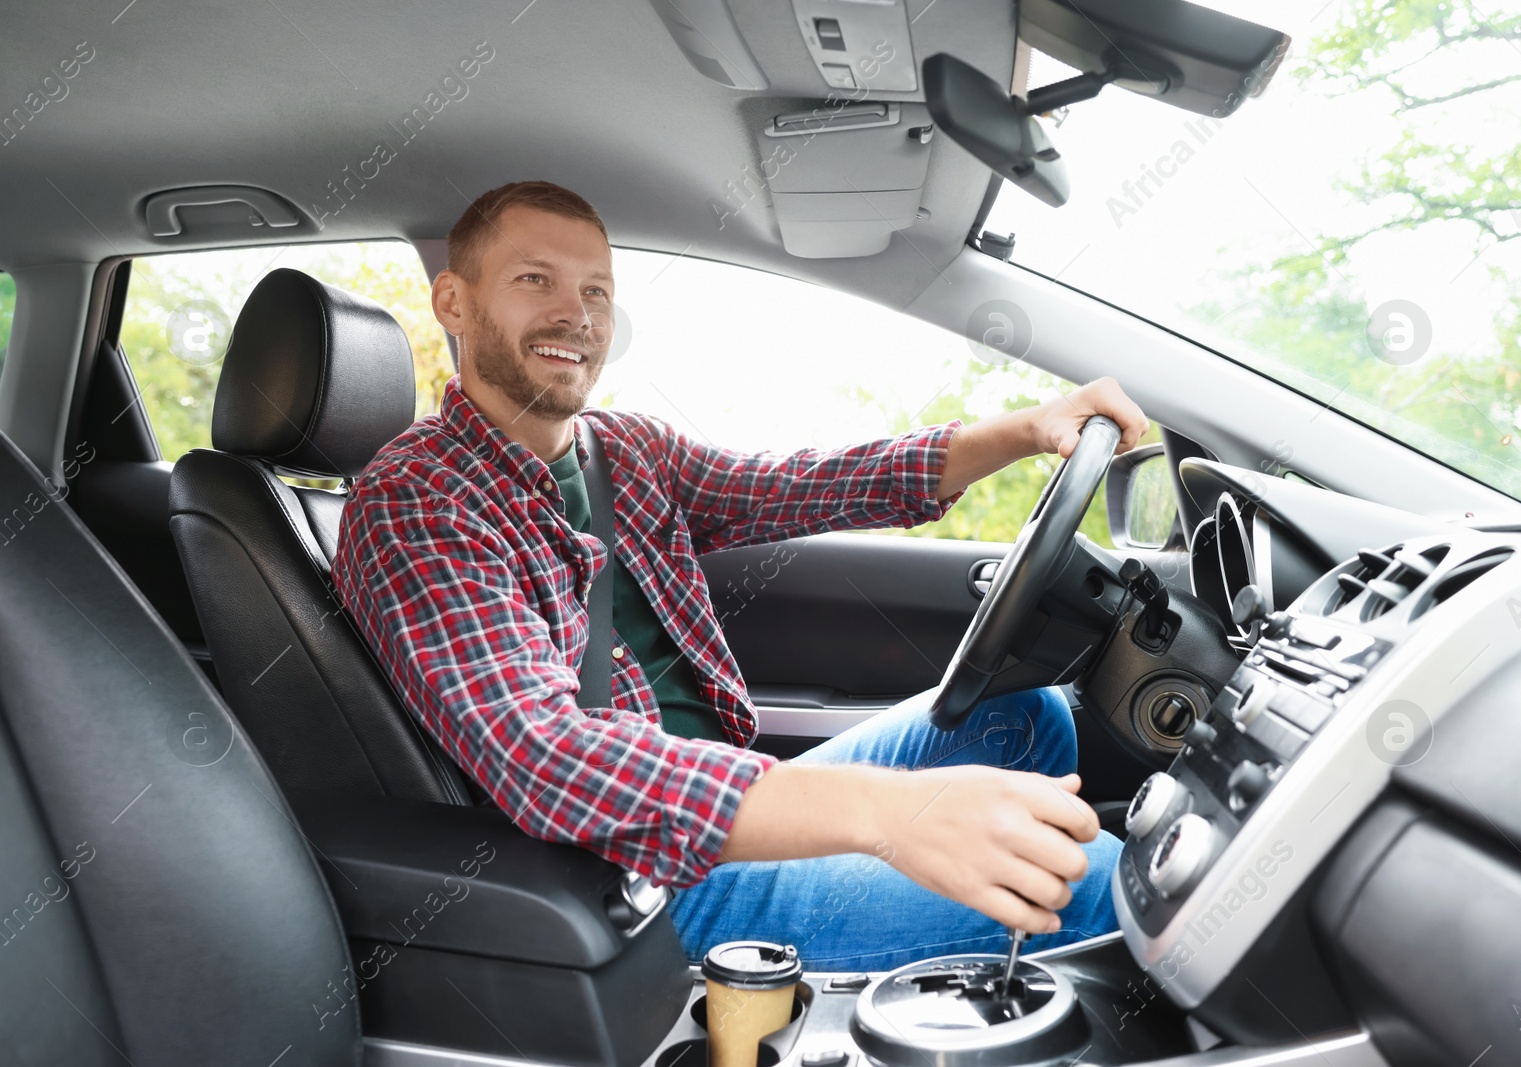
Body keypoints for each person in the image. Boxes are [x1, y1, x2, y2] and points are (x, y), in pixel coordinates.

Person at [332, 181, 1150, 973]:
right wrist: (891, 816)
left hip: (726, 799)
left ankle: (1003, 992)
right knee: (1107, 887)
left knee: (1024, 713)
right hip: (636, 878)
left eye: (597, 292)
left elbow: (799, 483)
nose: (574, 316)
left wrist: (1027, 430)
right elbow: (549, 758)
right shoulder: (417, 501)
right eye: (533, 280)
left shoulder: (621, 449)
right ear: (454, 302)